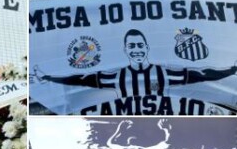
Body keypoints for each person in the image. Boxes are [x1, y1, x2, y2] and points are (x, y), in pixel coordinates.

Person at [33, 28, 237, 101]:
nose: (136, 49)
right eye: (132, 46)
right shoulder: (114, 76)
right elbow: (79, 79)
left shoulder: (164, 73)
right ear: (126, 50)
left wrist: (231, 70)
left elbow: (201, 73)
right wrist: (49, 76)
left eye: (140, 45)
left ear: (147, 48)